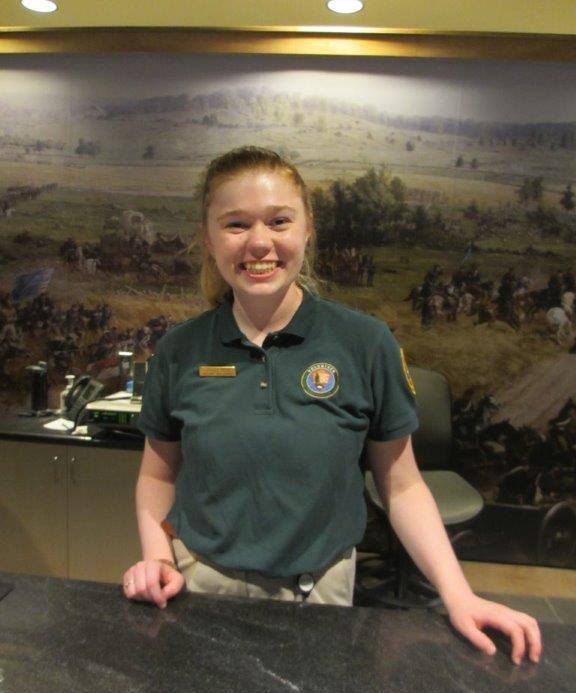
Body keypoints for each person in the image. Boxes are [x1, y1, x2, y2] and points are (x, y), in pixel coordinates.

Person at [123, 146, 541, 665]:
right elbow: (157, 475)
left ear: (307, 230)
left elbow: (403, 486)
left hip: (319, 593)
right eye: (236, 224)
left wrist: (459, 595)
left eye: (279, 221)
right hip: (200, 587)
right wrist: (158, 559)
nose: (260, 242)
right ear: (209, 239)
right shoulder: (179, 350)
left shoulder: (365, 343)